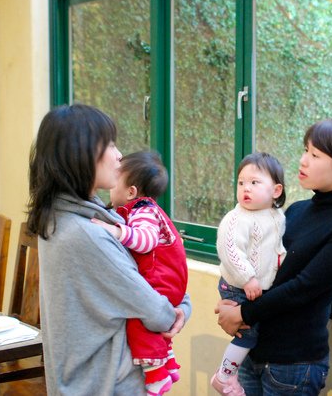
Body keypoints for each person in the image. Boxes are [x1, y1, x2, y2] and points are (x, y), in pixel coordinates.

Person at [27, 104, 191, 395]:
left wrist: (176, 305)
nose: (119, 156)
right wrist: (180, 309)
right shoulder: (87, 234)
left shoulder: (60, 216)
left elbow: (138, 281)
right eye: (110, 145)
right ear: (81, 154)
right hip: (105, 384)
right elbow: (156, 311)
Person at [216, 118, 332, 396]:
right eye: (305, 150)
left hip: (293, 364)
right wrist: (232, 300)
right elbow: (267, 271)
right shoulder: (296, 210)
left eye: (315, 155)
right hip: (253, 350)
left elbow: (303, 288)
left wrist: (242, 313)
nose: (303, 161)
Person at [92, 151, 188, 396]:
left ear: (131, 192)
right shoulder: (142, 209)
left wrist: (115, 231)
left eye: (117, 179)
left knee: (138, 322)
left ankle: (156, 375)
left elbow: (145, 241)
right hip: (170, 279)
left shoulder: (142, 210)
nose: (112, 187)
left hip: (161, 278)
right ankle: (168, 362)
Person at [211, 152, 287, 395]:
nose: (246, 188)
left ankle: (229, 374)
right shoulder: (236, 219)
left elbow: (277, 247)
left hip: (258, 287)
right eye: (241, 182)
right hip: (238, 285)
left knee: (255, 335)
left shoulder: (276, 216)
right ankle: (224, 376)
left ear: (276, 191)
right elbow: (230, 251)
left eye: (254, 183)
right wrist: (248, 278)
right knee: (247, 336)